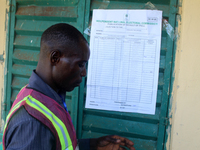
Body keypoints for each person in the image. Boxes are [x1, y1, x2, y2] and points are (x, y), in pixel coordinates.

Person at [2, 23, 135, 150]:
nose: (84, 73)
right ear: (55, 58)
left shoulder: (44, 97)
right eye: (80, 64)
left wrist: (93, 145)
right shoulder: (32, 122)